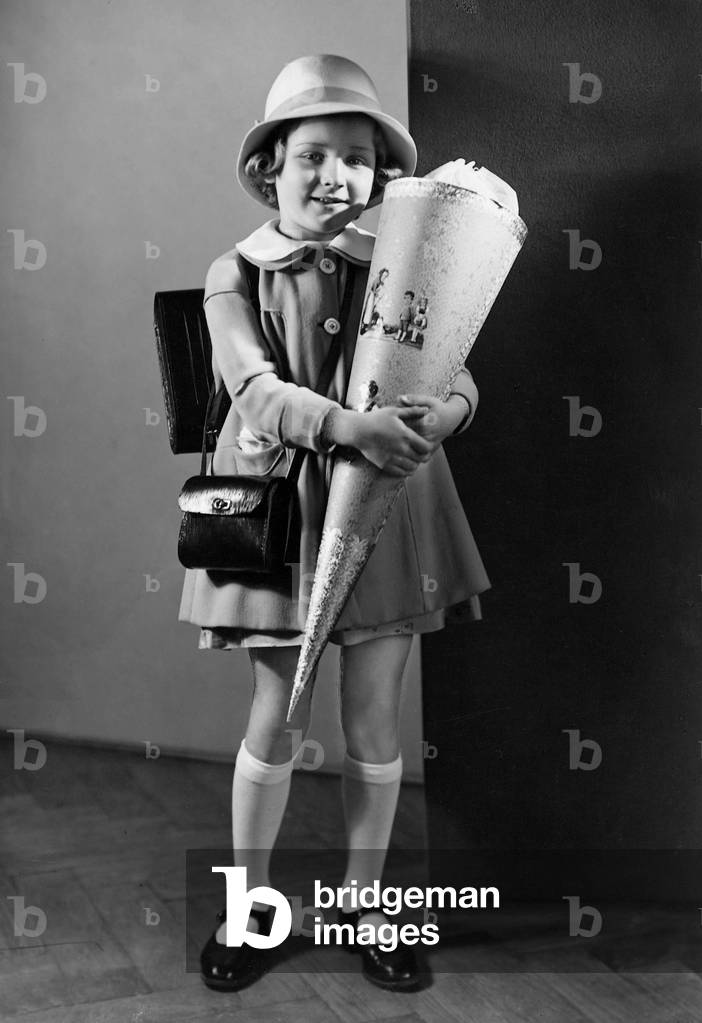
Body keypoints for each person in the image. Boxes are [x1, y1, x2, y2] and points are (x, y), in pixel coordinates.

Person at [178, 53, 491, 993]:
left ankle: (365, 902)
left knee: (373, 716)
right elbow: (255, 390)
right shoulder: (234, 271)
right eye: (314, 154)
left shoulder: (404, 263)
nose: (336, 176)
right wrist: (345, 425)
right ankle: (249, 906)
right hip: (287, 518)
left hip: (392, 512)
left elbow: (456, 365)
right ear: (271, 165)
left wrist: (446, 414)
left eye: (358, 158)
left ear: (381, 175)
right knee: (276, 712)